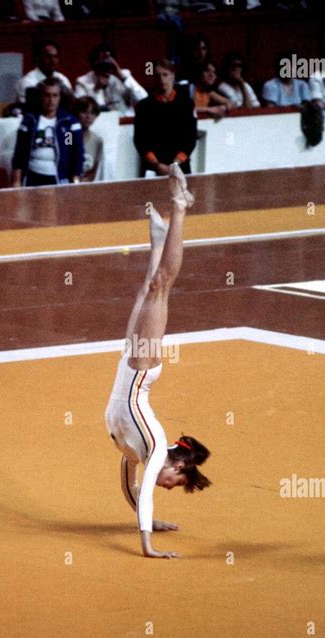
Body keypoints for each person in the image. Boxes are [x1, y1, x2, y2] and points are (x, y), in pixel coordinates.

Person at [105, 163, 211, 559]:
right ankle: (181, 207)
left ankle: (156, 243)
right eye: (176, 482)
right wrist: (147, 545)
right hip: (141, 369)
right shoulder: (154, 441)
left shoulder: (140, 453)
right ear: (178, 463)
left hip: (130, 364)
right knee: (160, 287)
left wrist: (148, 519)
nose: (168, 486)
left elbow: (128, 483)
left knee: (149, 289)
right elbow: (145, 489)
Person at [11, 77, 84, 187]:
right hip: (32, 175)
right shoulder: (30, 121)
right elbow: (19, 153)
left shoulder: (68, 123)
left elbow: (75, 152)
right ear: (41, 97)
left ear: (60, 97)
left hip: (59, 177)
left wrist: (76, 180)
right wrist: (16, 181)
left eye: (55, 95)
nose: (51, 100)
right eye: (47, 95)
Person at [134, 59, 197, 176]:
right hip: (153, 167)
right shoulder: (143, 106)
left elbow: (190, 138)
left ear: (173, 76)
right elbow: (140, 141)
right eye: (157, 75)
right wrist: (157, 165)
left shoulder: (186, 104)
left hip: (180, 165)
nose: (162, 79)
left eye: (165, 75)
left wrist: (176, 163)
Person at [75, 44, 147, 115]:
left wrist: (122, 77)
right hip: (97, 123)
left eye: (107, 62)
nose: (104, 67)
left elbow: (143, 99)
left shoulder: (124, 76)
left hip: (123, 120)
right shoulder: (83, 81)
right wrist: (96, 89)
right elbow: (81, 109)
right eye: (101, 63)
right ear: (93, 64)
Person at [73, 96, 103, 182]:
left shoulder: (98, 140)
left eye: (92, 113)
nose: (88, 117)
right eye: (84, 112)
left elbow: (93, 172)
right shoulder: (69, 136)